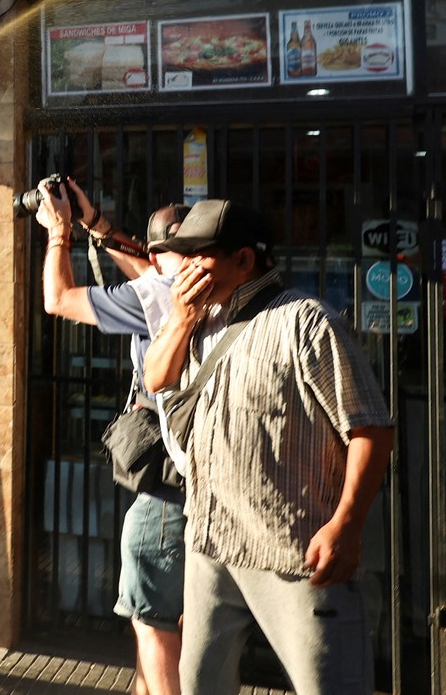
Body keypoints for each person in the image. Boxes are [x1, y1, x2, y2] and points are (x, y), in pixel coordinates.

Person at [142, 199, 393, 695]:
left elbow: (371, 429)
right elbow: (156, 378)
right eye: (183, 256)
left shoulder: (309, 323)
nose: (188, 269)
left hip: (293, 551)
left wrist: (346, 525)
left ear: (243, 260)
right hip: (212, 542)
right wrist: (179, 319)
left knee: (329, 684)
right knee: (199, 686)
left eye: (201, 255)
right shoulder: (196, 321)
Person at [38, 178, 188, 695]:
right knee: (174, 617)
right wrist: (97, 225)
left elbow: (57, 300)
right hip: (202, 486)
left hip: (166, 493)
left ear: (157, 249)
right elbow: (150, 271)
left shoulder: (155, 294)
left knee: (154, 625)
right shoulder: (201, 290)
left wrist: (59, 234)